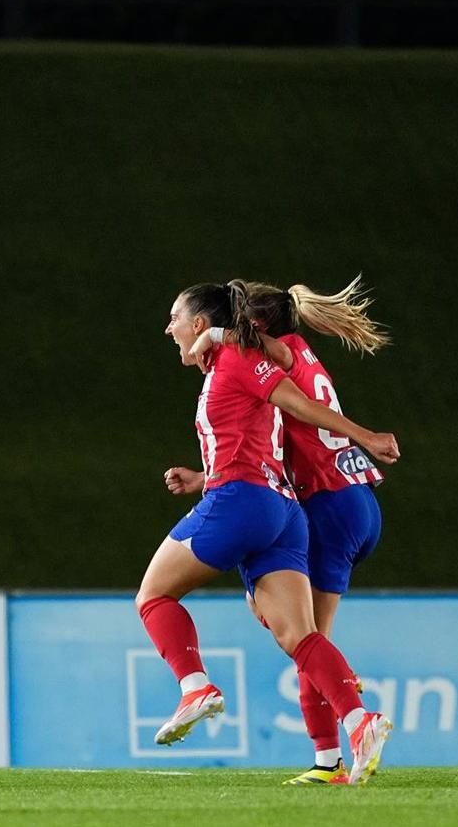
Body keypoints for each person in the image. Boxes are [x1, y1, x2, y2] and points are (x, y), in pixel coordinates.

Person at [144, 280, 397, 785]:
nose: (169, 327)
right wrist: (201, 476)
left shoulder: (238, 357)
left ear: (201, 323)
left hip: (257, 501)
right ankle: (359, 722)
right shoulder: (243, 359)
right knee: (299, 636)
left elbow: (296, 400)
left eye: (176, 317)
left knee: (153, 597)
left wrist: (367, 435)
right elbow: (266, 414)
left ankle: (195, 687)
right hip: (288, 508)